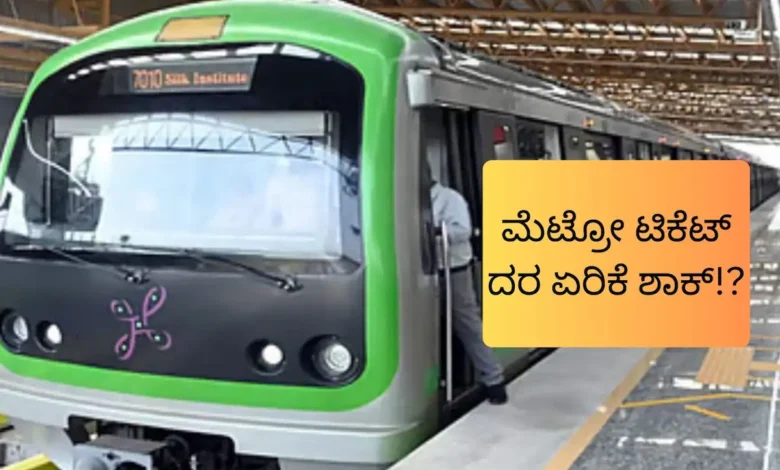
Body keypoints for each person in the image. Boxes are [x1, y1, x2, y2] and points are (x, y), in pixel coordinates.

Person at [426, 161, 508, 405]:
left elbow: (464, 230)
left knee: (468, 325)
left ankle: (494, 380)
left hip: (453, 270)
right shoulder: (406, 201)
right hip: (422, 271)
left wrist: (432, 233)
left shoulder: (450, 198)